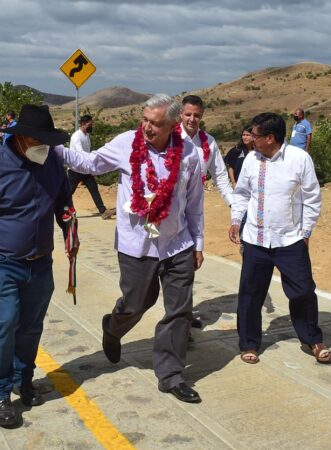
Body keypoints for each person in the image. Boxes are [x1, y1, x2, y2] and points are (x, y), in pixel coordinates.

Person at [54, 94, 205, 404]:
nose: (147, 127)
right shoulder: (126, 142)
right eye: (145, 120)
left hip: (177, 243)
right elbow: (91, 163)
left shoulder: (189, 153)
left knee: (179, 311)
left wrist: (198, 244)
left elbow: (194, 204)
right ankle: (113, 327)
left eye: (155, 123)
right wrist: (54, 147)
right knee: (137, 303)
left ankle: (171, 374)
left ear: (173, 124)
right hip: (137, 244)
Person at [0, 104, 74, 429]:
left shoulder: (51, 163)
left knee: (31, 327)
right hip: (2, 261)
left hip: (41, 264)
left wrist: (69, 229)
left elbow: (63, 200)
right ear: (20, 137)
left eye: (49, 140)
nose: (45, 146)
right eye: (39, 140)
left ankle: (24, 379)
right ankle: (0, 392)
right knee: (5, 324)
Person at [229, 112, 329, 365]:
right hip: (255, 238)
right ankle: (249, 343)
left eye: (255, 135)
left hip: (290, 239)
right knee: (250, 294)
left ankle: (312, 338)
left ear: (270, 138)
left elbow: (312, 199)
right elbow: (241, 194)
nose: (250, 139)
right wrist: (235, 220)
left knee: (303, 291)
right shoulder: (251, 160)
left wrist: (306, 233)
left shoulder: (299, 159)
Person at [179, 95, 233, 206]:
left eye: (196, 115)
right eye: (188, 114)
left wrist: (234, 204)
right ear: (181, 113)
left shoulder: (209, 141)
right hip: (169, 209)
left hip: (195, 208)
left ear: (202, 114)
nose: (192, 119)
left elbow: (220, 176)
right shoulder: (168, 138)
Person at [66, 114, 113, 218]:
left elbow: (87, 151)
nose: (91, 126)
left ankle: (103, 211)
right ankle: (60, 209)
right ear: (83, 124)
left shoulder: (86, 135)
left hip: (85, 168)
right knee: (69, 191)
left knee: (93, 188)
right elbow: (80, 152)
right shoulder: (76, 136)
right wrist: (94, 156)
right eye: (89, 124)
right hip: (75, 168)